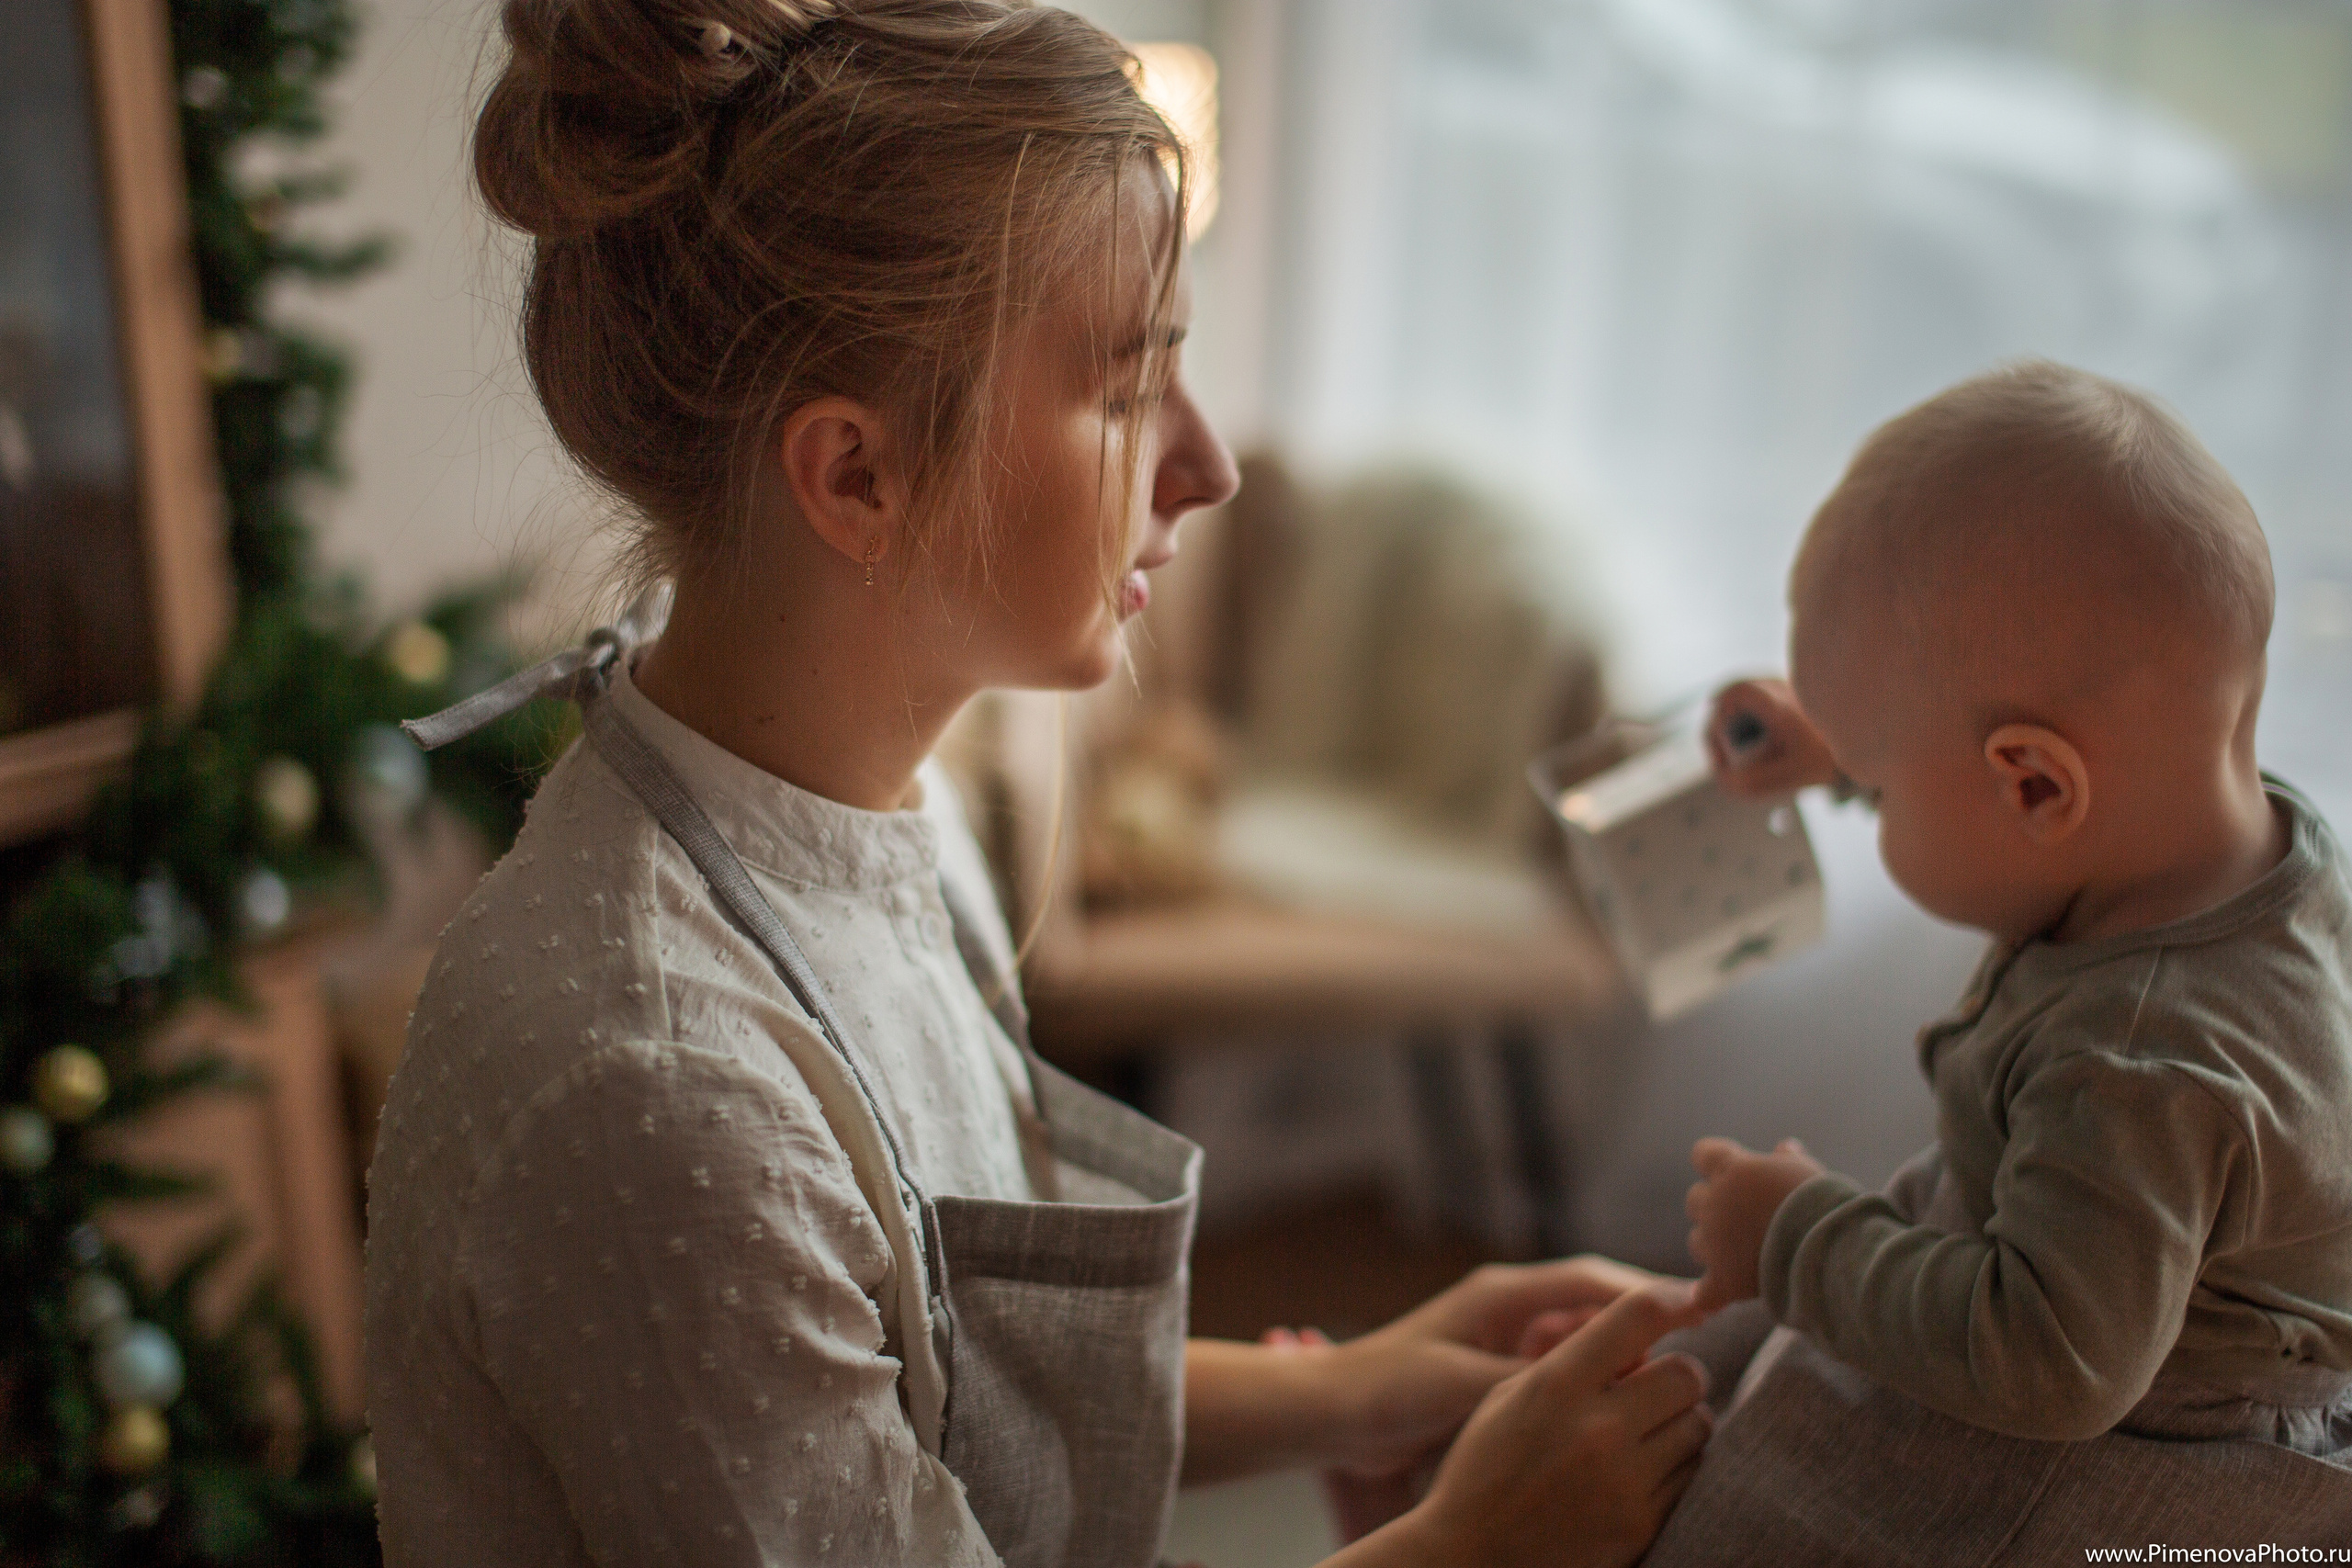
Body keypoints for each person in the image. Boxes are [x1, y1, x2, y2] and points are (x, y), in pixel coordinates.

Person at [360, 3, 1714, 1564]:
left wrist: (1361, 1387)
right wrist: (1477, 1545)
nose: (1204, 468)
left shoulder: (890, 825)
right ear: (860, 476)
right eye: (1130, 391)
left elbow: (945, 1384)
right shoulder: (660, 1090)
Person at [1646, 360, 2352, 1562]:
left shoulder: (2143, 1061)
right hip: (2087, 1287)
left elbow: (2047, 1365)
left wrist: (1798, 1241)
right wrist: (1848, 741)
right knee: (1699, 1368)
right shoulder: (2246, 844)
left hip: (2112, 1444)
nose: (1862, 784)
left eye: (1878, 766)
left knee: (1752, 1502)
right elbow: (2003, 794)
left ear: (2031, 780)